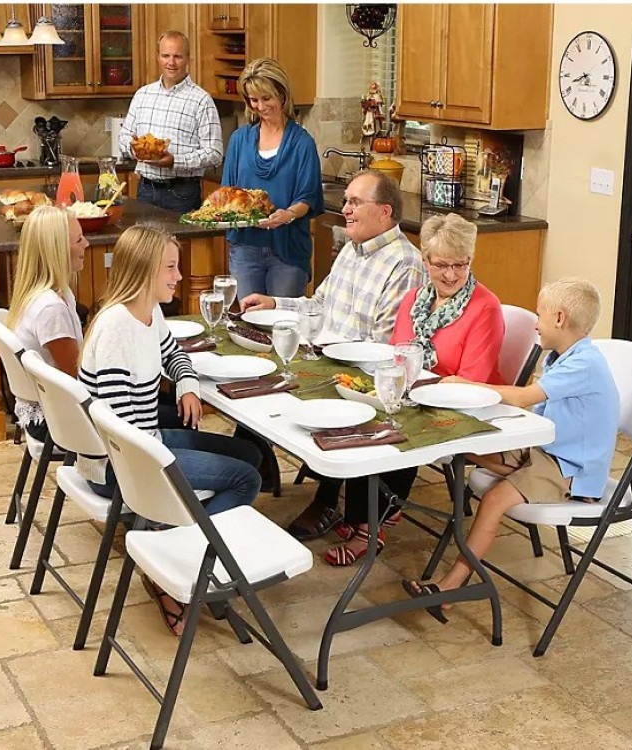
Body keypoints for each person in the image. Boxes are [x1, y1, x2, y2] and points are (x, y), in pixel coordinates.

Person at [78, 225, 262, 636]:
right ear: (144, 270)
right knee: (246, 479)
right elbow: (122, 434)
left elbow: (174, 354)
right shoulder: (116, 329)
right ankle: (174, 560)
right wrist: (167, 469)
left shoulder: (147, 311)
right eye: (171, 267)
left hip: (144, 445)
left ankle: (175, 539)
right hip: (120, 467)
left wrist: (188, 384)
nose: (179, 276)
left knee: (251, 455)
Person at [402, 277, 620, 622]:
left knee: (494, 499)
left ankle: (451, 587)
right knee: (464, 448)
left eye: (540, 314)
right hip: (545, 450)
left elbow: (523, 397)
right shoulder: (563, 357)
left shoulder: (584, 364)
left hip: (570, 468)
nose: (536, 323)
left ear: (559, 318)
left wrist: (468, 385)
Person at [241, 170, 425, 539]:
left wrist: (323, 352)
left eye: (355, 202)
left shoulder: (404, 263)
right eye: (346, 202)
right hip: (327, 357)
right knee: (254, 379)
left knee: (279, 384)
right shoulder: (352, 251)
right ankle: (247, 473)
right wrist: (275, 303)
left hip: (361, 374)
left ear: (385, 211)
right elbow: (317, 306)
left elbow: (381, 344)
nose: (346, 209)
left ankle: (326, 499)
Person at [325, 213, 506, 566]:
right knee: (368, 415)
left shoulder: (485, 307)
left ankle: (372, 526)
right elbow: (396, 356)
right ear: (425, 260)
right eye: (441, 265)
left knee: (395, 427)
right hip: (417, 394)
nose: (451, 275)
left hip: (463, 406)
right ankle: (366, 512)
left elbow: (472, 379)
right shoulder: (412, 300)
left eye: (460, 264)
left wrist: (416, 390)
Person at [222, 57, 324, 299]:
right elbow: (227, 193)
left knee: (283, 318)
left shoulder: (302, 143)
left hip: (287, 250)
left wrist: (287, 215)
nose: (260, 106)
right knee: (248, 317)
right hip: (245, 249)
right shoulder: (239, 140)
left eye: (266, 98)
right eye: (253, 100)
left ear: (282, 94)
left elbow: (307, 198)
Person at [6, 205, 89, 442]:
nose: (86, 244)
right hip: (55, 422)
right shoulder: (51, 309)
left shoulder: (45, 294)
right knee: (159, 412)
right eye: (79, 240)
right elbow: (78, 377)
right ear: (57, 251)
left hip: (52, 408)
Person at [119, 31, 223, 213]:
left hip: (182, 193)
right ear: (158, 57)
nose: (171, 62)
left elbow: (215, 153)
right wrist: (134, 149)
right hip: (145, 190)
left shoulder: (201, 100)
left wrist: (175, 161)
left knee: (179, 234)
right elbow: (124, 138)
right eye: (166, 56)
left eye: (177, 56)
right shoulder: (143, 95)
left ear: (188, 59)